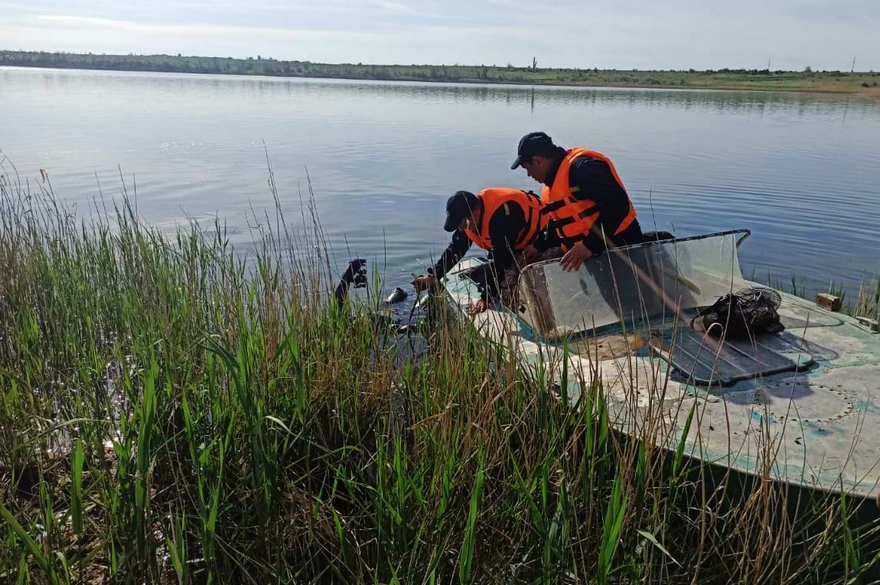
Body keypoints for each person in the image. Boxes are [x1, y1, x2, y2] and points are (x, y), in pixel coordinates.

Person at [510, 131, 642, 272]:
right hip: (592, 259)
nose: (529, 174)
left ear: (538, 161)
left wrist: (589, 245)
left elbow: (618, 207)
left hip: (623, 252)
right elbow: (562, 223)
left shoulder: (583, 169)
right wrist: (538, 245)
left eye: (527, 168)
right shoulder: (552, 184)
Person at [411, 188, 544, 313]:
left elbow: (502, 260)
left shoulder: (501, 217)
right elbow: (456, 249)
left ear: (474, 212)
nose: (462, 229)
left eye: (463, 224)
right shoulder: (468, 221)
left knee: (507, 289)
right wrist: (434, 276)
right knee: (481, 275)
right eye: (459, 225)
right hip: (514, 247)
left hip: (543, 241)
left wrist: (486, 297)